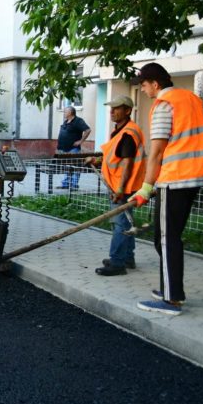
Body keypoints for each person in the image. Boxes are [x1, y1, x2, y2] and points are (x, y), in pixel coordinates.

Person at [129, 63, 203, 316]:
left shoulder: (165, 105)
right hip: (194, 176)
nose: (142, 90)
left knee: (166, 239)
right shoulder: (192, 99)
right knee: (166, 237)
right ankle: (170, 288)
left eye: (143, 85)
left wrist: (145, 188)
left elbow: (156, 152)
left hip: (174, 179)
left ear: (154, 83)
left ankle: (171, 300)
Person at [84, 96, 145, 276]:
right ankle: (127, 258)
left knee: (120, 224)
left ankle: (117, 262)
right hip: (120, 184)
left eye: (117, 108)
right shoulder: (120, 131)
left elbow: (127, 164)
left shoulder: (128, 134)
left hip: (123, 186)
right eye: (111, 108)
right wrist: (97, 160)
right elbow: (115, 156)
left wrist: (120, 189)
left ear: (127, 111)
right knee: (126, 220)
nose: (112, 111)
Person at [56, 106, 91, 189]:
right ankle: (66, 184)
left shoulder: (78, 121)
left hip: (73, 149)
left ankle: (74, 185)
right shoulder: (66, 121)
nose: (64, 113)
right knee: (67, 167)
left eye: (65, 112)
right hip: (63, 149)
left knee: (75, 166)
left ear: (70, 112)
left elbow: (88, 130)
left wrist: (80, 141)